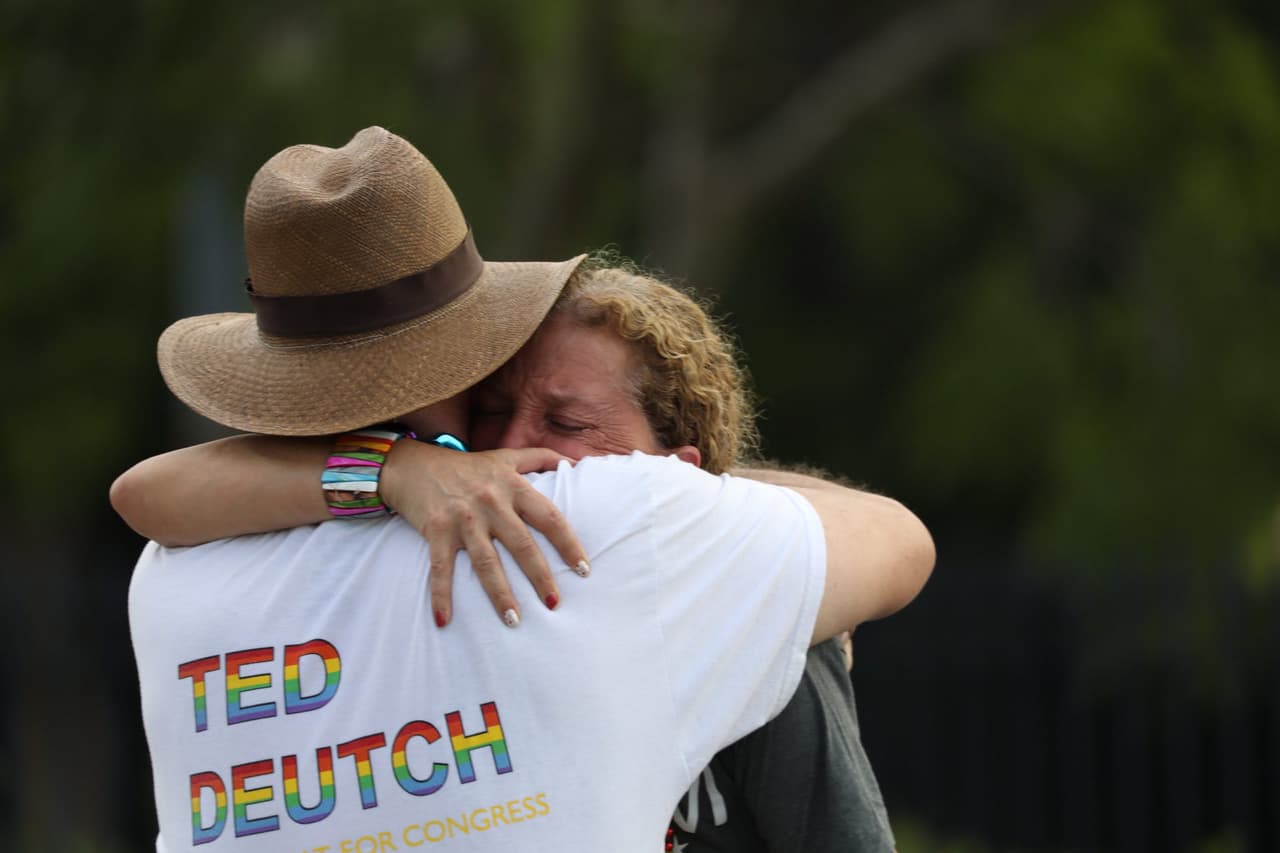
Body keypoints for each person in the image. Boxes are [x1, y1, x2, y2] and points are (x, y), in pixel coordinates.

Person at [117, 126, 933, 852]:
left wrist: (392, 470)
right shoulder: (604, 524)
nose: (511, 448)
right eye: (501, 404)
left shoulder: (173, 575)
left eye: (562, 421)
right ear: (458, 349)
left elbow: (143, 491)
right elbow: (898, 540)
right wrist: (711, 507)